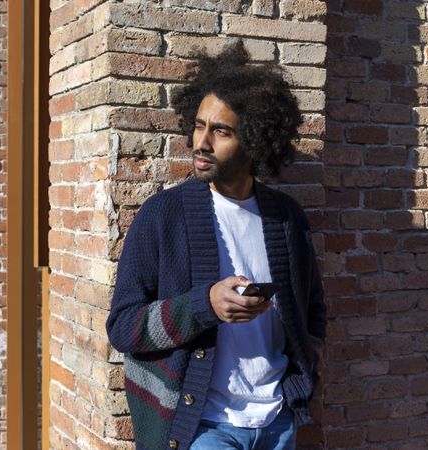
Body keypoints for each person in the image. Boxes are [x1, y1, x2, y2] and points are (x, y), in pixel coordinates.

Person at [106, 40, 326, 450]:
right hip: (202, 426)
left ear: (255, 141)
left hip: (277, 421)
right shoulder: (162, 216)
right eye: (199, 125)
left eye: (221, 131)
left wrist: (304, 370)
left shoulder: (287, 219)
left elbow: (312, 308)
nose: (201, 143)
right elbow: (122, 327)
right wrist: (204, 305)